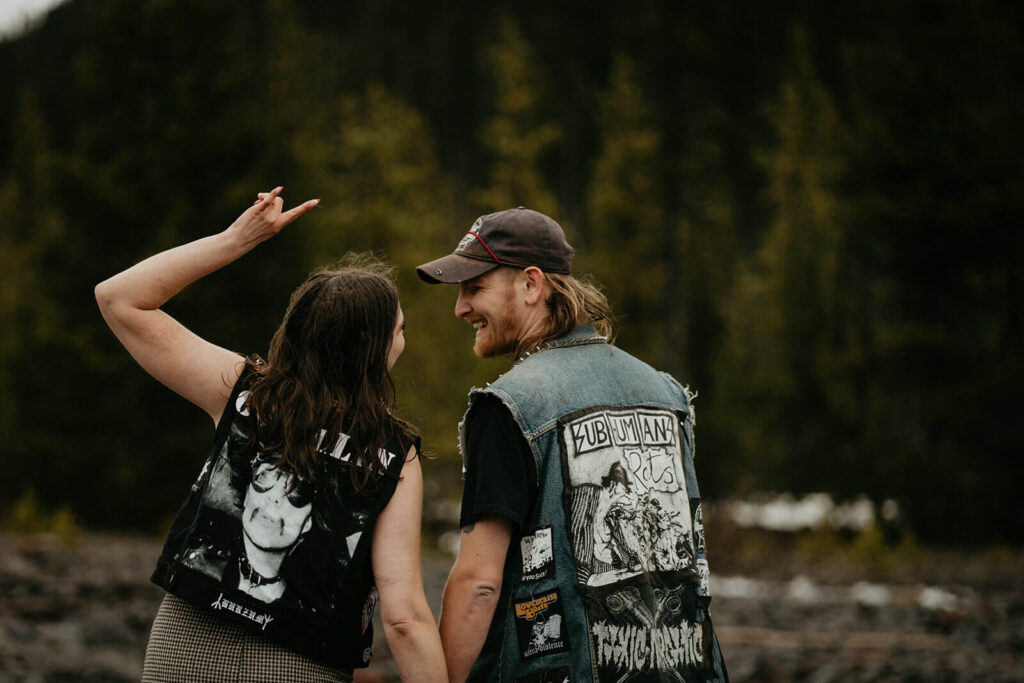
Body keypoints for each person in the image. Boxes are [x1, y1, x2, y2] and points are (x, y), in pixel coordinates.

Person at [95, 186, 446, 682]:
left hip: (185, 646)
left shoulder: (244, 394)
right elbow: (404, 616)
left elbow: (118, 298)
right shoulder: (390, 455)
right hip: (302, 666)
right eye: (400, 330)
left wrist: (235, 240)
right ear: (373, 351)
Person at [417, 207, 729, 682]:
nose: (460, 308)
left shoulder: (508, 408)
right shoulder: (667, 394)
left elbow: (479, 582)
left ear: (531, 284)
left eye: (474, 287)